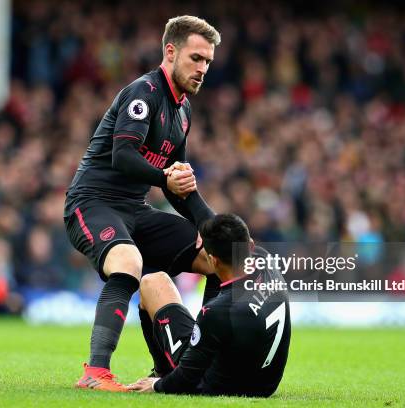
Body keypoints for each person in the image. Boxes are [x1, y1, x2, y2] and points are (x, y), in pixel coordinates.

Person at [64, 16, 222, 391]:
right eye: (196, 58)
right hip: (92, 202)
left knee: (217, 258)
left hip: (135, 210)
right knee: (128, 262)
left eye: (208, 62)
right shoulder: (144, 93)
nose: (202, 69)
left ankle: (183, 360)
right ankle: (95, 373)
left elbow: (175, 183)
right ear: (171, 51)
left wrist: (213, 226)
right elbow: (124, 156)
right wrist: (166, 176)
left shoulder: (183, 111)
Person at [128, 214, 291, 397]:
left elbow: (186, 377)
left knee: (153, 282)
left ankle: (161, 371)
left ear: (213, 261)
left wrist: (157, 385)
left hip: (217, 386)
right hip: (265, 385)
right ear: (251, 245)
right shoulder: (266, 260)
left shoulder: (218, 311)